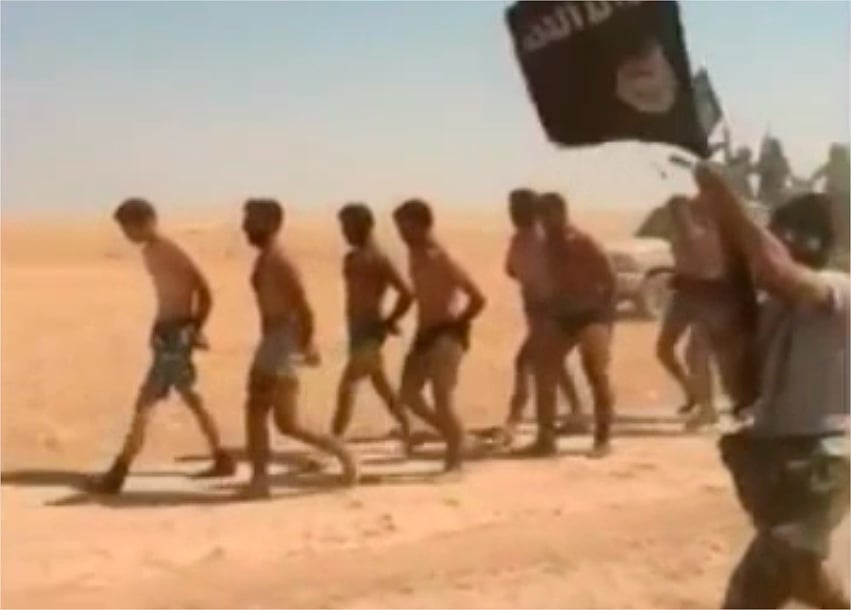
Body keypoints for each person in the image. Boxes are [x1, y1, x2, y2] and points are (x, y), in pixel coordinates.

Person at [693, 165, 850, 609]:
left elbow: (774, 269)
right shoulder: (774, 308)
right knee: (800, 575)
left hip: (819, 462)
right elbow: (744, 390)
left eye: (779, 235)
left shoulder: (837, 289)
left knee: (765, 580)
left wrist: (725, 201)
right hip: (776, 460)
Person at [92, 199, 235, 494]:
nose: (127, 236)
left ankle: (119, 471)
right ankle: (222, 456)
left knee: (146, 401)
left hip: (176, 337)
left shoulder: (171, 249)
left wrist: (194, 329)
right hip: (167, 334)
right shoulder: (150, 252)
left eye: (128, 228)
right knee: (191, 398)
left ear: (146, 222)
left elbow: (204, 290)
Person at [241, 198, 357, 497]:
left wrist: (305, 345)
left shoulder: (281, 261)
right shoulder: (267, 259)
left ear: (270, 223)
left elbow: (304, 308)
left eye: (251, 220)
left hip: (282, 343)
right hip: (274, 342)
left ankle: (260, 479)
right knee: (284, 421)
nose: (244, 226)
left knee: (262, 411)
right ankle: (340, 453)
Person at [393, 199, 486, 474]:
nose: (401, 235)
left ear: (422, 225)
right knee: (408, 394)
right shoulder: (415, 255)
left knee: (442, 399)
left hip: (447, 333)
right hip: (424, 334)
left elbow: (478, 298)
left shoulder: (443, 258)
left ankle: (454, 463)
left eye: (405, 228)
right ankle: (455, 436)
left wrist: (458, 324)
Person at [525, 192, 616, 458]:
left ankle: (603, 438)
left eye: (546, 216)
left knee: (596, 371)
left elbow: (610, 278)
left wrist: (606, 319)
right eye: (540, 217)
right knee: (544, 369)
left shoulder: (583, 242)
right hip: (562, 315)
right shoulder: (546, 245)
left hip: (592, 314)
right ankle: (546, 439)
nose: (542, 223)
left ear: (560, 213)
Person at [657, 194, 757, 429]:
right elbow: (684, 268)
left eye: (682, 214)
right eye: (674, 215)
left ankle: (714, 406)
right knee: (665, 349)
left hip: (711, 299)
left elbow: (720, 272)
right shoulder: (677, 239)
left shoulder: (710, 237)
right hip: (686, 297)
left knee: (704, 353)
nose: (678, 219)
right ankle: (694, 392)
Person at [503, 188, 585, 442]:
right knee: (553, 364)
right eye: (512, 208)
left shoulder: (544, 239)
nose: (513, 214)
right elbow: (511, 268)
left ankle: (515, 421)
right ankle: (577, 413)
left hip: (549, 311)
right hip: (535, 311)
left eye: (518, 208)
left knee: (525, 362)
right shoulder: (520, 239)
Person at [330, 203, 414, 449]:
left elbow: (407, 292)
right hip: (356, 329)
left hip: (369, 331)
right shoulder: (353, 258)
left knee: (348, 384)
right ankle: (408, 425)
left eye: (347, 227)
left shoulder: (378, 258)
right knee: (380, 382)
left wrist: (391, 320)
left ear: (363, 226)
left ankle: (334, 440)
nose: (344, 233)